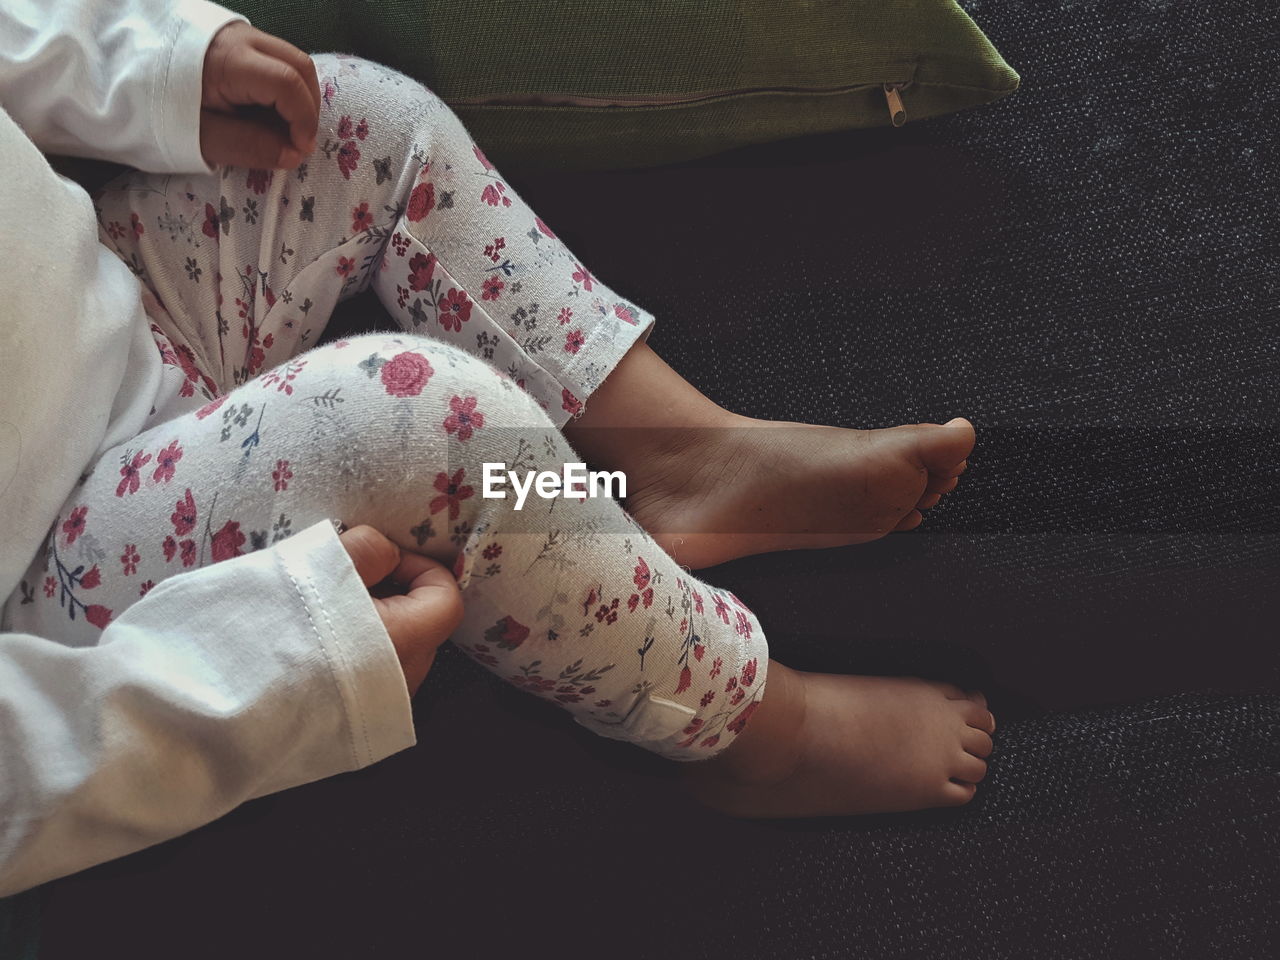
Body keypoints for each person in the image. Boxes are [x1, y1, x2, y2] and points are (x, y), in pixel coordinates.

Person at [0, 0, 994, 896]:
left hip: (119, 296)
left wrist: (148, 67)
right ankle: (747, 727)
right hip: (57, 573)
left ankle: (676, 457)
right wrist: (246, 681)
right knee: (404, 420)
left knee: (355, 117)